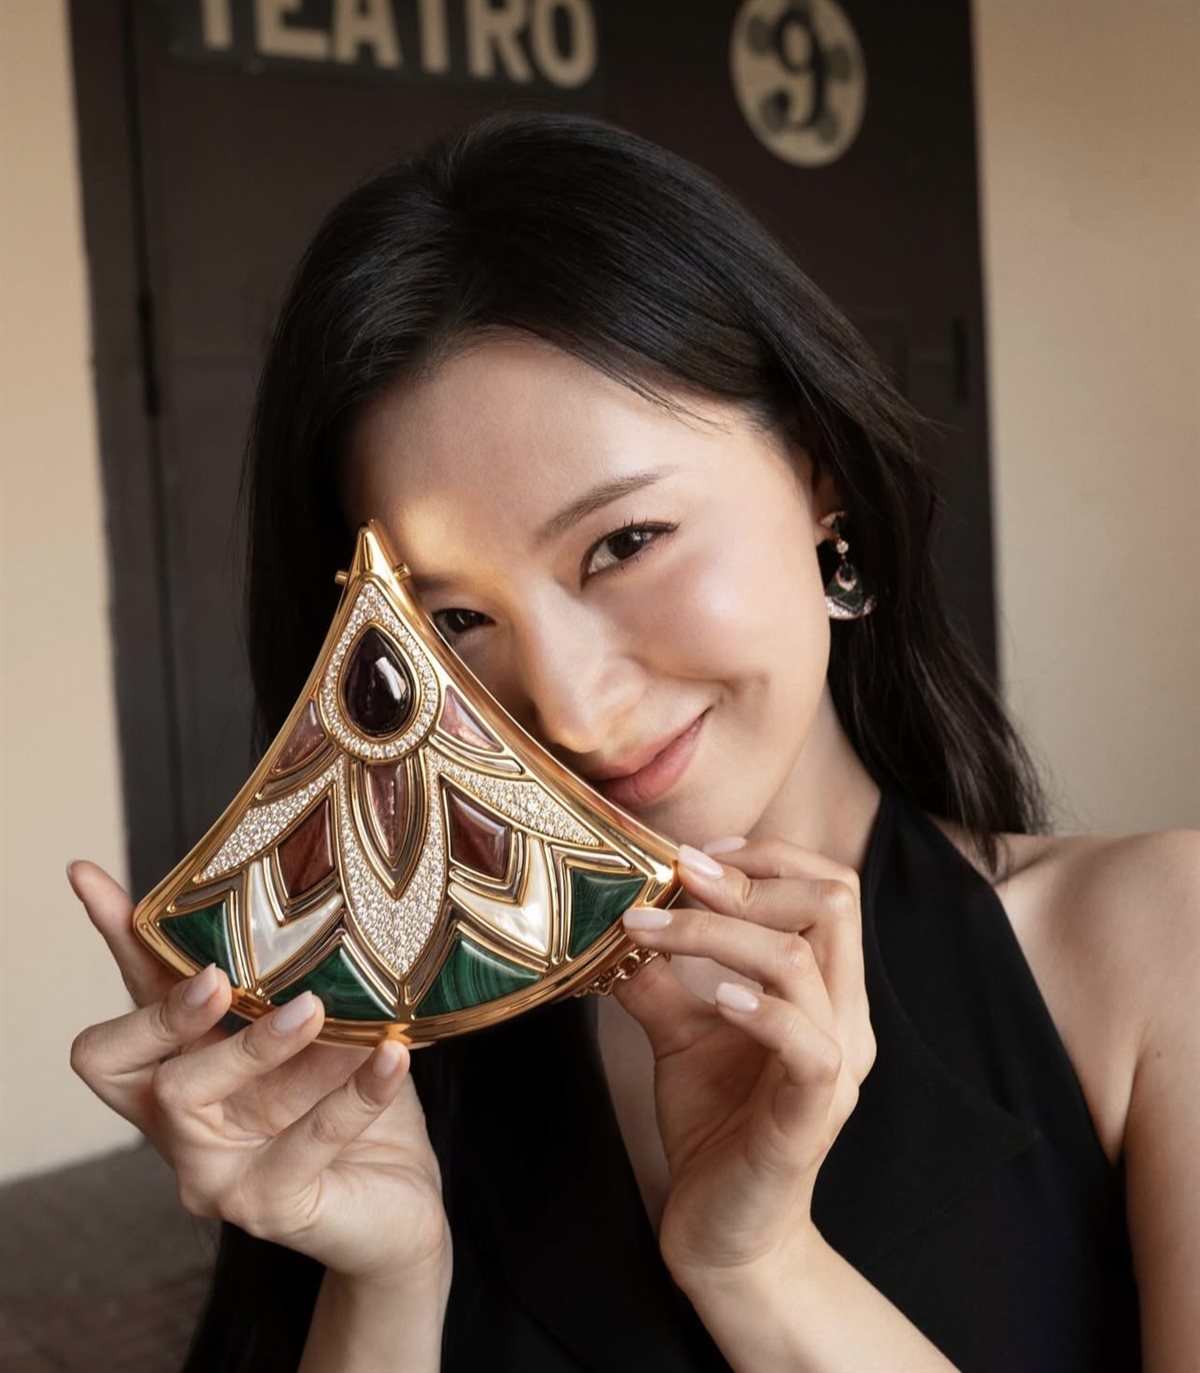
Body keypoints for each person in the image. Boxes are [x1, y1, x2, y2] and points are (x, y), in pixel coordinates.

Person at [66, 111, 1197, 1372]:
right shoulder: (384, 1055)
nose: (573, 712)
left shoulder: (1153, 944)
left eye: (624, 544)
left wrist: (763, 1269)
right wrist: (382, 1282)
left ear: (821, 476)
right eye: (452, 619)